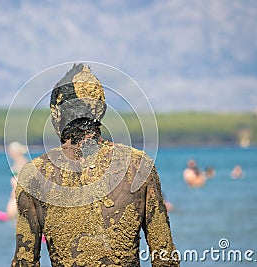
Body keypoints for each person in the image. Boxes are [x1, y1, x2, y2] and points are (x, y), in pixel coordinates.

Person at [11, 64, 179, 266]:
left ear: (56, 116)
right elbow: (165, 257)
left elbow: (24, 261)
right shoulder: (137, 165)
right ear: (101, 111)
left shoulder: (34, 175)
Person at [6, 142, 28, 218]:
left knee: (12, 217)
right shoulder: (17, 161)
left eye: (10, 151)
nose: (9, 153)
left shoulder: (22, 161)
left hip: (18, 193)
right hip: (14, 192)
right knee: (11, 217)